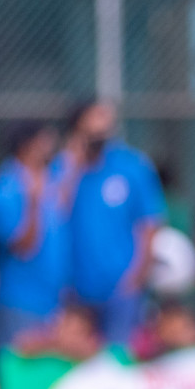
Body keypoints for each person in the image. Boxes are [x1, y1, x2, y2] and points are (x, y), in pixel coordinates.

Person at [58, 101, 166, 346]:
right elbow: (54, 216)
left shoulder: (132, 166)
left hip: (122, 290)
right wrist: (72, 169)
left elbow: (149, 224)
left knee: (119, 362)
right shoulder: (64, 169)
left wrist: (137, 277)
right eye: (95, 119)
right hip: (75, 293)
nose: (103, 127)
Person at [0, 122, 67, 348]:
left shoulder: (50, 180)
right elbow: (23, 246)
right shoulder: (7, 187)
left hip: (52, 299)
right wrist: (33, 204)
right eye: (44, 140)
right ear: (28, 146)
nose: (50, 146)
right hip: (21, 300)